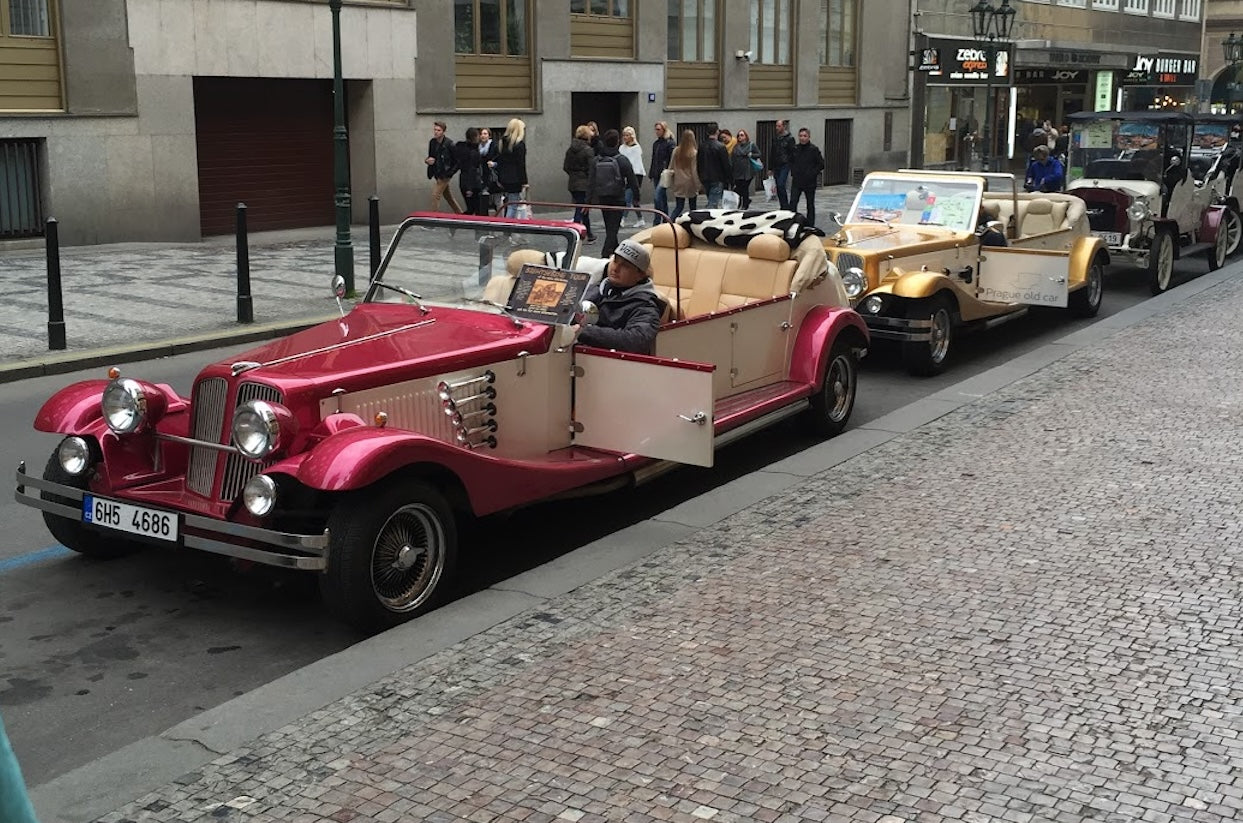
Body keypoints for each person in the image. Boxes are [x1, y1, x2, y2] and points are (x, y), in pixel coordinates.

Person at [574, 238, 667, 355]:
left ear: (640, 275)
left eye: (625, 266)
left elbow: (636, 341)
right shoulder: (597, 288)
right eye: (615, 261)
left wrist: (583, 332)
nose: (616, 268)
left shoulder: (646, 306)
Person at [587, 128, 642, 257]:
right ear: (617, 142)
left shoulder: (597, 160)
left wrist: (587, 201)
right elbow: (632, 180)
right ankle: (605, 255)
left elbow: (591, 182)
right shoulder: (622, 160)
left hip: (603, 197)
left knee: (610, 227)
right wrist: (636, 197)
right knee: (612, 230)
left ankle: (615, 253)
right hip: (618, 197)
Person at [564, 124, 597, 242]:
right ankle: (576, 233)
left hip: (573, 182)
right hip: (584, 184)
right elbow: (591, 169)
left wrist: (574, 175)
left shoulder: (570, 149)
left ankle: (589, 233)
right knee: (581, 208)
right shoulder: (588, 150)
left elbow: (566, 167)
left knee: (582, 207)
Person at [789, 127, 825, 226]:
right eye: (800, 136)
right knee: (793, 202)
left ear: (809, 137)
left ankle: (810, 225)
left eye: (805, 136)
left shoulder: (813, 149)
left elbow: (821, 164)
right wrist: (794, 172)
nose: (802, 138)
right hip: (797, 181)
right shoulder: (795, 149)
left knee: (810, 204)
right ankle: (792, 222)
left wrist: (812, 173)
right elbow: (791, 161)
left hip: (809, 182)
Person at [425, 120, 462, 214]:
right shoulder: (432, 142)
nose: (436, 132)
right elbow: (431, 156)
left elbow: (458, 162)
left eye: (438, 130)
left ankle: (433, 221)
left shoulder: (449, 144)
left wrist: (449, 173)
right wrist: (427, 161)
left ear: (443, 131)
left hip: (445, 174)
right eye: (435, 130)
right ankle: (460, 214)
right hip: (437, 173)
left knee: (435, 195)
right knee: (449, 197)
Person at [496, 118, 528, 217]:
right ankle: (508, 229)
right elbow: (521, 164)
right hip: (515, 178)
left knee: (509, 203)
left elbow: (500, 161)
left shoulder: (503, 143)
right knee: (513, 205)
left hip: (504, 178)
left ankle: (508, 228)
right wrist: (524, 181)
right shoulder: (519, 145)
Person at [697, 121, 731, 209]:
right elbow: (726, 165)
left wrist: (700, 176)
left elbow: (699, 163)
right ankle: (708, 219)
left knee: (711, 200)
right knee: (712, 203)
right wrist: (730, 179)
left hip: (705, 177)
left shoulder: (702, 146)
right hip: (717, 178)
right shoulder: (721, 147)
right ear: (717, 131)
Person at [669, 129, 701, 222]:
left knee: (679, 206)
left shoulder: (676, 151)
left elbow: (671, 166)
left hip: (678, 181)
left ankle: (670, 221)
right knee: (693, 207)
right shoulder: (693, 153)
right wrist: (698, 185)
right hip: (690, 182)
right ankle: (693, 223)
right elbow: (694, 171)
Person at [453, 127, 487, 216]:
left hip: (464, 182)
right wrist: (470, 188)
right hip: (472, 184)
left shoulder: (462, 149)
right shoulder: (473, 152)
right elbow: (471, 170)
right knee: (476, 209)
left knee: (472, 208)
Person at [618, 126, 647, 227]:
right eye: (624, 135)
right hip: (625, 174)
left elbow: (635, 163)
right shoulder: (621, 148)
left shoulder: (636, 148)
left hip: (636, 175)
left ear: (631, 136)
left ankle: (622, 218)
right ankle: (640, 219)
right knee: (634, 200)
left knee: (628, 197)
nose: (625, 137)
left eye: (627, 135)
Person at [649, 121, 675, 226]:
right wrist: (651, 173)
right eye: (656, 129)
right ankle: (665, 219)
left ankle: (657, 220)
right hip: (656, 173)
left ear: (664, 130)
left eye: (659, 129)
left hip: (664, 173)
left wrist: (670, 170)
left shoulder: (669, 143)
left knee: (657, 197)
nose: (657, 131)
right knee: (662, 198)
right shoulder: (656, 143)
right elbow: (653, 159)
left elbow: (672, 158)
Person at [767, 118, 796, 210]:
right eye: (776, 126)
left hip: (785, 164)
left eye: (779, 126)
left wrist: (792, 165)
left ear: (784, 126)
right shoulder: (775, 138)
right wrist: (770, 168)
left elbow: (792, 153)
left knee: (781, 184)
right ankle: (782, 205)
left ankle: (785, 205)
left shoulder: (790, 138)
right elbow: (772, 152)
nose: (777, 128)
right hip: (776, 164)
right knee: (777, 185)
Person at [730, 128, 761, 210]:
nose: (740, 137)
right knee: (738, 188)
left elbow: (758, 154)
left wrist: (752, 155)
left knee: (744, 188)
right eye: (739, 135)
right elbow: (733, 158)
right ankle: (743, 202)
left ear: (746, 136)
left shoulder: (751, 145)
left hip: (748, 171)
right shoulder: (736, 147)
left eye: (742, 135)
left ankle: (745, 204)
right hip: (737, 171)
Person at [478, 127, 500, 214]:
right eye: (481, 134)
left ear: (489, 136)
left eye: (485, 134)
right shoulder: (478, 147)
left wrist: (494, 164)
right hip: (482, 174)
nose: (483, 136)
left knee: (495, 198)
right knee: (483, 196)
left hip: (492, 175)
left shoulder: (494, 146)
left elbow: (499, 159)